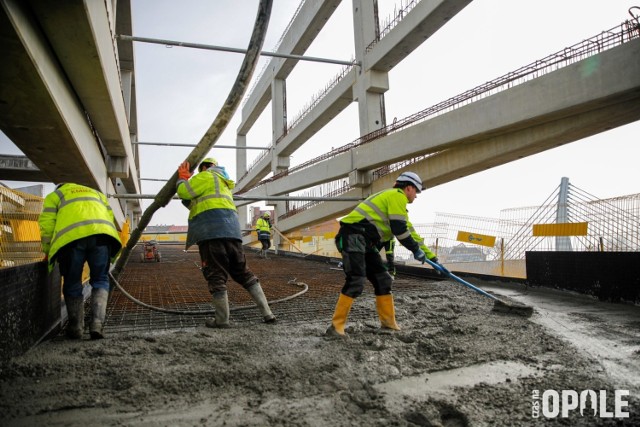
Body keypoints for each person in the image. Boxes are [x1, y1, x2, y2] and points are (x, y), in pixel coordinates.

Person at [327, 171, 445, 336]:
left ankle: (388, 324)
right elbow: (400, 231)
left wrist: (433, 258)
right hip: (353, 236)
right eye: (416, 191)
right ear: (409, 188)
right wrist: (415, 251)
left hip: (364, 242)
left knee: (383, 279)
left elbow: (412, 235)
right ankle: (336, 327)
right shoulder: (397, 196)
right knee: (356, 280)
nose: (416, 196)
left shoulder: (398, 207)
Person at [177, 157, 276, 328]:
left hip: (211, 233)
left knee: (215, 274)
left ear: (205, 167)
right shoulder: (224, 184)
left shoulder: (206, 176)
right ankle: (268, 314)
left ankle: (222, 320)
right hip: (232, 233)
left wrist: (183, 178)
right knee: (243, 273)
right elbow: (196, 202)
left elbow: (184, 192)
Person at [38, 183, 122, 340]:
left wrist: (48, 251)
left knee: (72, 282)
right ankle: (97, 324)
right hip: (101, 237)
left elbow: (47, 224)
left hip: (71, 240)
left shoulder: (55, 196)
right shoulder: (96, 193)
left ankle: (76, 328)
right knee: (101, 280)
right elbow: (109, 217)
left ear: (59, 187)